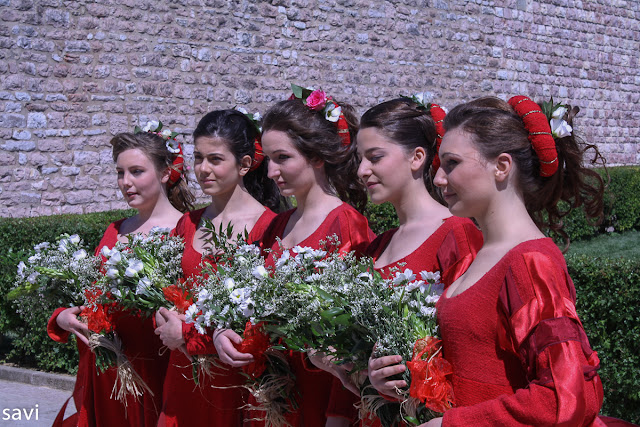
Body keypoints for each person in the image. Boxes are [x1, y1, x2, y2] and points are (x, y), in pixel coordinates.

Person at [413, 95, 605, 426]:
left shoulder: (531, 262)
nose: (439, 178)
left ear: (502, 166)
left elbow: (565, 398)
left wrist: (453, 424)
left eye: (452, 163)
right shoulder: (479, 257)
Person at [312, 97, 482, 425]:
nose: (362, 171)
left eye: (375, 157)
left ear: (417, 157)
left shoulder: (456, 235)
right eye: (360, 159)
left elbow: (468, 351)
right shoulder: (376, 248)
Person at [218, 88, 375, 427]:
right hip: (273, 394)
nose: (271, 171)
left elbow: (355, 338)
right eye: (269, 159)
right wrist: (222, 330)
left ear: (316, 156)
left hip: (322, 396)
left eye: (282, 158)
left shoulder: (346, 224)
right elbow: (243, 300)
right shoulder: (276, 226)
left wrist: (338, 416)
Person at [47, 125, 195, 426]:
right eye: (120, 173)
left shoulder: (187, 230)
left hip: (156, 374)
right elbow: (92, 297)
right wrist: (63, 317)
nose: (126, 182)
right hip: (106, 373)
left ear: (166, 173)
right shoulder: (114, 230)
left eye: (137, 171)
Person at [153, 109, 281, 426]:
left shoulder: (269, 228)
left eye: (215, 159)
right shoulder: (187, 224)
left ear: (245, 164)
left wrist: (188, 332)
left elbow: (265, 320)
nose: (203, 169)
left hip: (235, 381)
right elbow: (167, 289)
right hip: (184, 376)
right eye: (198, 158)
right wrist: (162, 314)